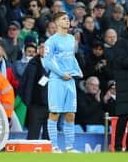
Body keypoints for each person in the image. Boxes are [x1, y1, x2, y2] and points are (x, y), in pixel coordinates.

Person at [43, 11, 83, 153]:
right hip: (57, 81)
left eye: (68, 19)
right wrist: (61, 74)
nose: (67, 21)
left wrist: (78, 70)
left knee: (70, 113)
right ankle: (54, 147)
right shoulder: (51, 41)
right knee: (54, 113)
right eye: (64, 19)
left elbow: (72, 57)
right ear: (57, 22)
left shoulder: (72, 39)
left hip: (70, 81)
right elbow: (47, 62)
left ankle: (69, 147)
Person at [113, 12, 128, 152]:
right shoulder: (121, 42)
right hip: (126, 86)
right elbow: (122, 62)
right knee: (123, 117)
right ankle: (118, 147)